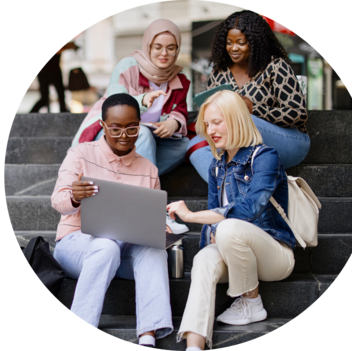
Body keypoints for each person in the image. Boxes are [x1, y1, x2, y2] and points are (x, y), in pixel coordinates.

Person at [167, 90, 296, 351]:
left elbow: (250, 209)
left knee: (229, 226)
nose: (210, 130)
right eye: (206, 124)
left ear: (237, 119)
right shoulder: (216, 166)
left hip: (275, 256)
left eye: (217, 122)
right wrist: (213, 229)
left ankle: (251, 301)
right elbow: (217, 216)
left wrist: (192, 217)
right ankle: (194, 346)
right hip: (236, 255)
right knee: (203, 258)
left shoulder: (265, 156)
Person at [52, 93, 174, 350]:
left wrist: (159, 225)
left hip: (122, 254)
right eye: (116, 128)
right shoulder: (81, 154)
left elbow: (151, 215)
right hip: (77, 246)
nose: (124, 135)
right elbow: (58, 201)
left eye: (132, 128)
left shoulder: (148, 169)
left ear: (140, 125)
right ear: (103, 125)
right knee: (106, 245)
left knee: (153, 250)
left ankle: (148, 336)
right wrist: (74, 197)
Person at [71, 19, 190, 234]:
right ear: (148, 46)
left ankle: (124, 180)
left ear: (177, 50)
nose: (164, 53)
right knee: (142, 133)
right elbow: (115, 103)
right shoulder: (128, 66)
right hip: (113, 135)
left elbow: (180, 108)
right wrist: (143, 100)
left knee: (185, 145)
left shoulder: (179, 77)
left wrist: (174, 122)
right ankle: (152, 209)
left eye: (171, 48)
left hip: (145, 143)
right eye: (158, 47)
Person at [187, 9, 310, 183]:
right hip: (236, 143)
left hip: (288, 142)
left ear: (255, 42)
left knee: (238, 119)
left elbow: (299, 114)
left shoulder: (275, 66)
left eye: (241, 42)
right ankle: (232, 189)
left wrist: (253, 109)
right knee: (195, 147)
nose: (233, 48)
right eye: (229, 42)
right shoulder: (219, 73)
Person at [30, 41, 78, 113]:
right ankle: (32, 113)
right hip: (48, 72)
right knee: (49, 97)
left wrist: (65, 47)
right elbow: (59, 50)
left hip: (47, 72)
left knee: (57, 96)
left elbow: (70, 46)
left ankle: (32, 113)